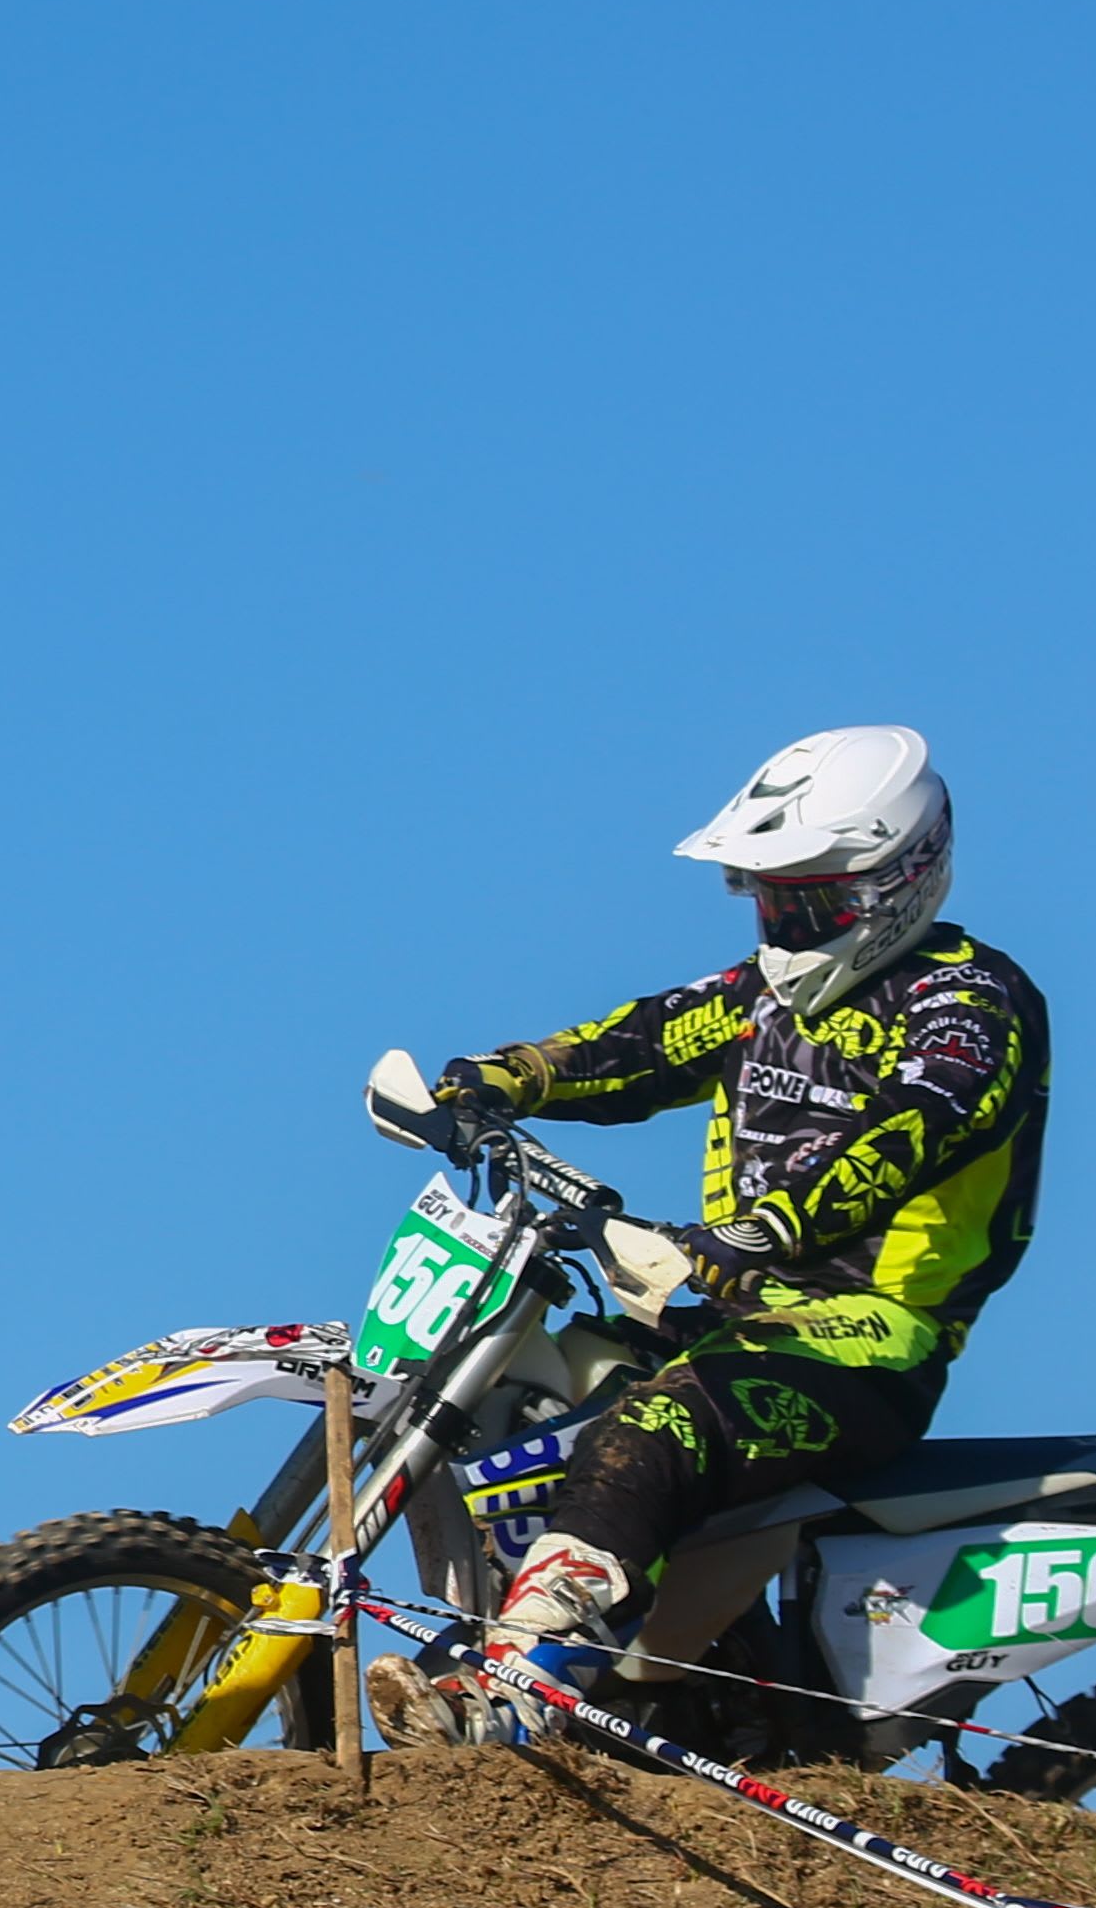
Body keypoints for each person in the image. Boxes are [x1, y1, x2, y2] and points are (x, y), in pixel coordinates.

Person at [365, 725, 1047, 1745]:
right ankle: (609, 1655)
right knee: (550, 1381)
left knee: (655, 1429)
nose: (784, 919)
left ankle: (519, 1687)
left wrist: (764, 1229)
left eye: (808, 898)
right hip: (733, 1317)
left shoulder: (971, 1006)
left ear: (897, 878)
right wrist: (503, 1078)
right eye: (769, 895)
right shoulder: (759, 997)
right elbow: (640, 1041)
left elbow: (916, 1129)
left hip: (872, 1337)